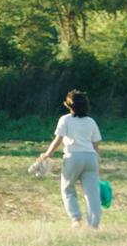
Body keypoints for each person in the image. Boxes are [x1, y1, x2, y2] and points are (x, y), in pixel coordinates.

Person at [37, 90, 103, 229]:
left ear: (69, 105)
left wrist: (47, 154)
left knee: (67, 189)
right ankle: (94, 225)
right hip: (90, 158)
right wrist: (98, 164)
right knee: (92, 193)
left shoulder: (65, 119)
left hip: (73, 157)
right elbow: (95, 145)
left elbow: (58, 140)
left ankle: (76, 219)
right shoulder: (91, 122)